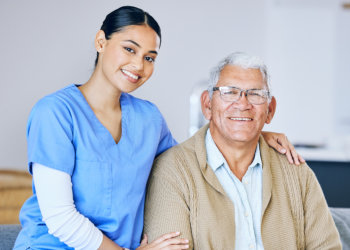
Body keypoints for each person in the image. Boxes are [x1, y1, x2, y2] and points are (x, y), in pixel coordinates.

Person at [14, 6, 303, 250]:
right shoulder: (55, 113)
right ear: (101, 42)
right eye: (129, 49)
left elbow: (192, 161)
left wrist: (250, 133)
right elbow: (60, 217)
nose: (138, 65)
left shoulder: (148, 118)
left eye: (149, 57)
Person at [144, 52, 342, 249]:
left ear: (270, 111)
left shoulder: (297, 172)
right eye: (229, 92)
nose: (243, 104)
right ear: (207, 105)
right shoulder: (173, 170)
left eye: (255, 94)